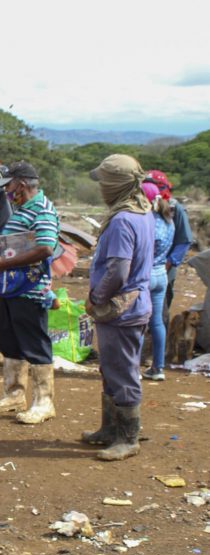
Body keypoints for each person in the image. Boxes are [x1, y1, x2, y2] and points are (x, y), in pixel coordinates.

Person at [81, 154, 154, 461]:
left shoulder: (123, 219)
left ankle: (127, 437)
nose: (100, 189)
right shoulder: (142, 211)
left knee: (122, 371)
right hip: (134, 304)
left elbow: (118, 271)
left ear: (116, 185)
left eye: (105, 182)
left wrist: (97, 297)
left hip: (120, 309)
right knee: (111, 368)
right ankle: (109, 429)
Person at [0, 162, 60, 424]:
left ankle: (44, 401)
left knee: (34, 342)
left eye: (9, 185)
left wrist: (5, 263)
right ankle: (14, 395)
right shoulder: (23, 209)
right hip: (12, 288)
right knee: (10, 339)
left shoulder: (43, 210)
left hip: (30, 288)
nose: (6, 190)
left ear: (22, 184)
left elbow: (46, 248)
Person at [143, 170, 193, 314]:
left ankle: (157, 335)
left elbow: (184, 240)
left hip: (164, 267)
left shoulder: (175, 208)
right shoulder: (142, 207)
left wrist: (169, 263)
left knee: (160, 308)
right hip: (143, 267)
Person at [139, 182, 174, 381]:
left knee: (139, 323)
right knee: (157, 323)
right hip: (162, 274)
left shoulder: (146, 220)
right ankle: (158, 368)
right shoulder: (169, 220)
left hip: (146, 274)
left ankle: (132, 367)